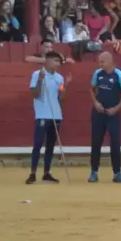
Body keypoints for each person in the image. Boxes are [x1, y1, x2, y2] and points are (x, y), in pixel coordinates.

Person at [27, 51, 71, 184]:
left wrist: (67, 84)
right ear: (47, 61)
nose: (58, 64)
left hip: (56, 115)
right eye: (55, 61)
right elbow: (35, 94)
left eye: (59, 62)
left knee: (50, 145)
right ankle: (33, 173)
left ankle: (46, 173)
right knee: (38, 144)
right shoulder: (37, 74)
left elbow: (61, 97)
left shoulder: (60, 78)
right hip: (42, 114)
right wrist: (40, 79)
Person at [89, 50, 121, 183]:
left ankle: (117, 173)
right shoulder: (97, 73)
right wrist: (95, 102)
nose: (100, 64)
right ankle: (94, 172)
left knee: (115, 142)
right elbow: (91, 88)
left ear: (110, 61)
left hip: (113, 113)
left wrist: (116, 108)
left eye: (102, 62)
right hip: (99, 112)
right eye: (99, 61)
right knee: (96, 142)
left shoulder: (119, 75)